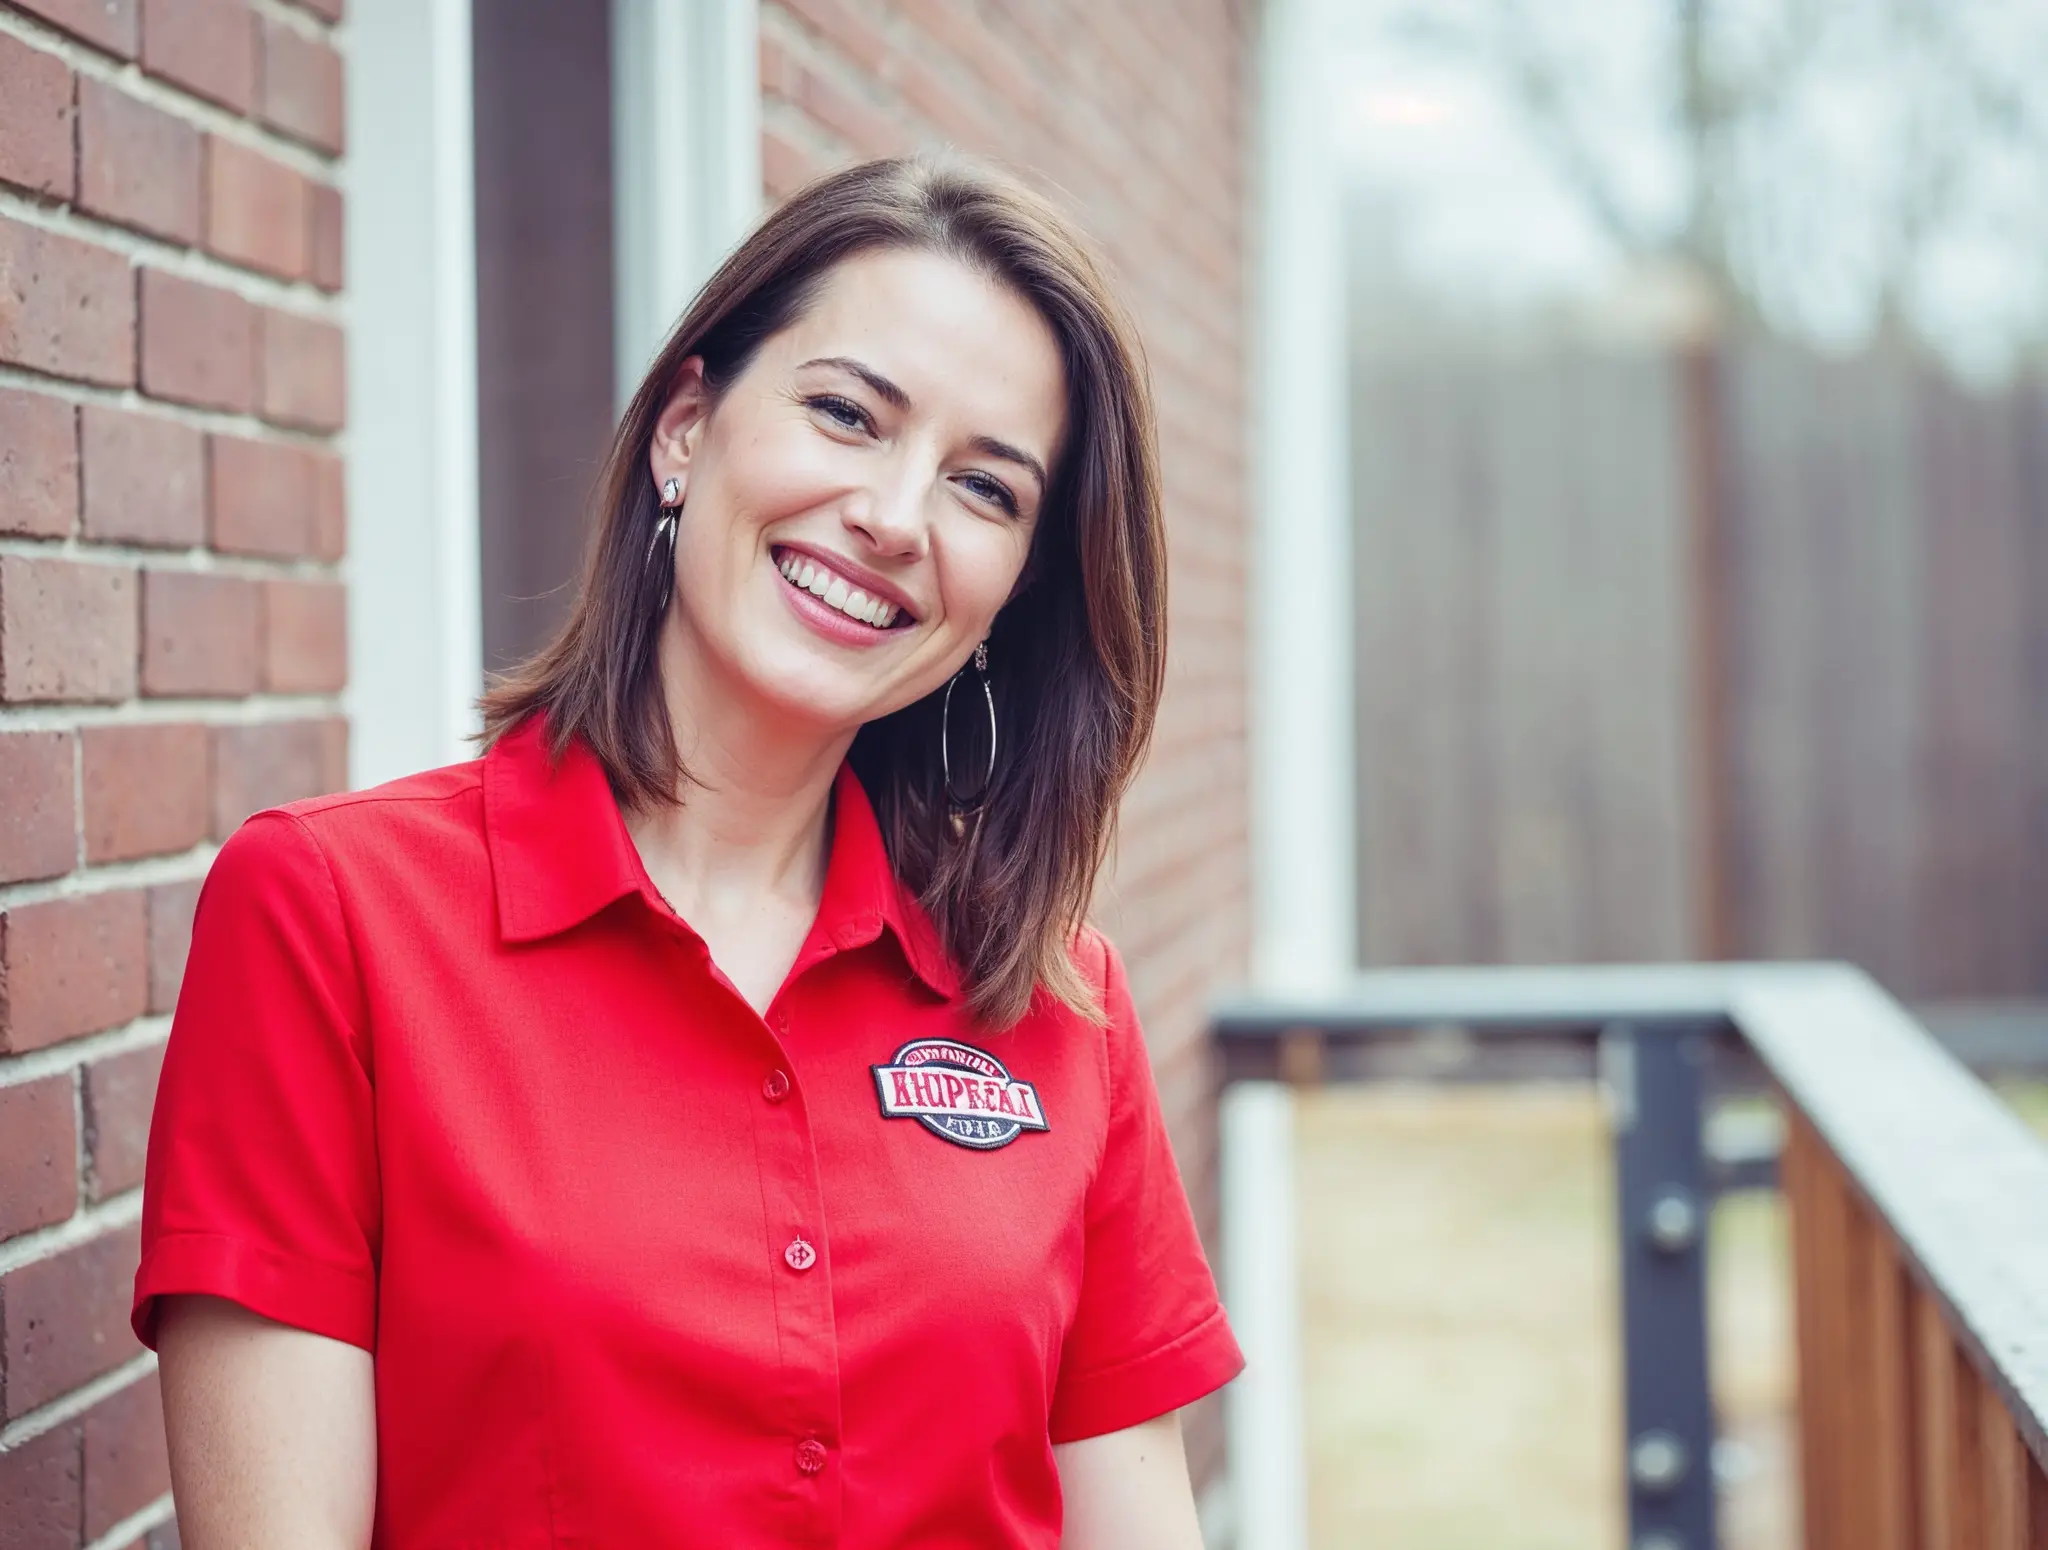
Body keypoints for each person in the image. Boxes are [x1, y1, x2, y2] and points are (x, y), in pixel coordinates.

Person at [135, 154, 1243, 1549]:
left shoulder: (1059, 1003)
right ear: (684, 427)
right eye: (847, 414)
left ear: (1015, 592)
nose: (895, 519)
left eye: (984, 487)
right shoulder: (333, 916)